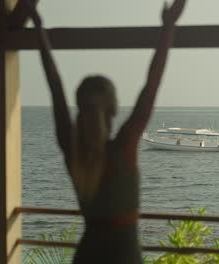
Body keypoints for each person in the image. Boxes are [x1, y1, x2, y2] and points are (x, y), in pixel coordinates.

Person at [23, 0, 186, 263]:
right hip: (124, 256)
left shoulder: (72, 149)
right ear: (112, 108)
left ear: (80, 107)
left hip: (87, 254)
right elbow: (152, 84)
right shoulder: (124, 147)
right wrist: (168, 27)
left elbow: (54, 84)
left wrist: (39, 28)